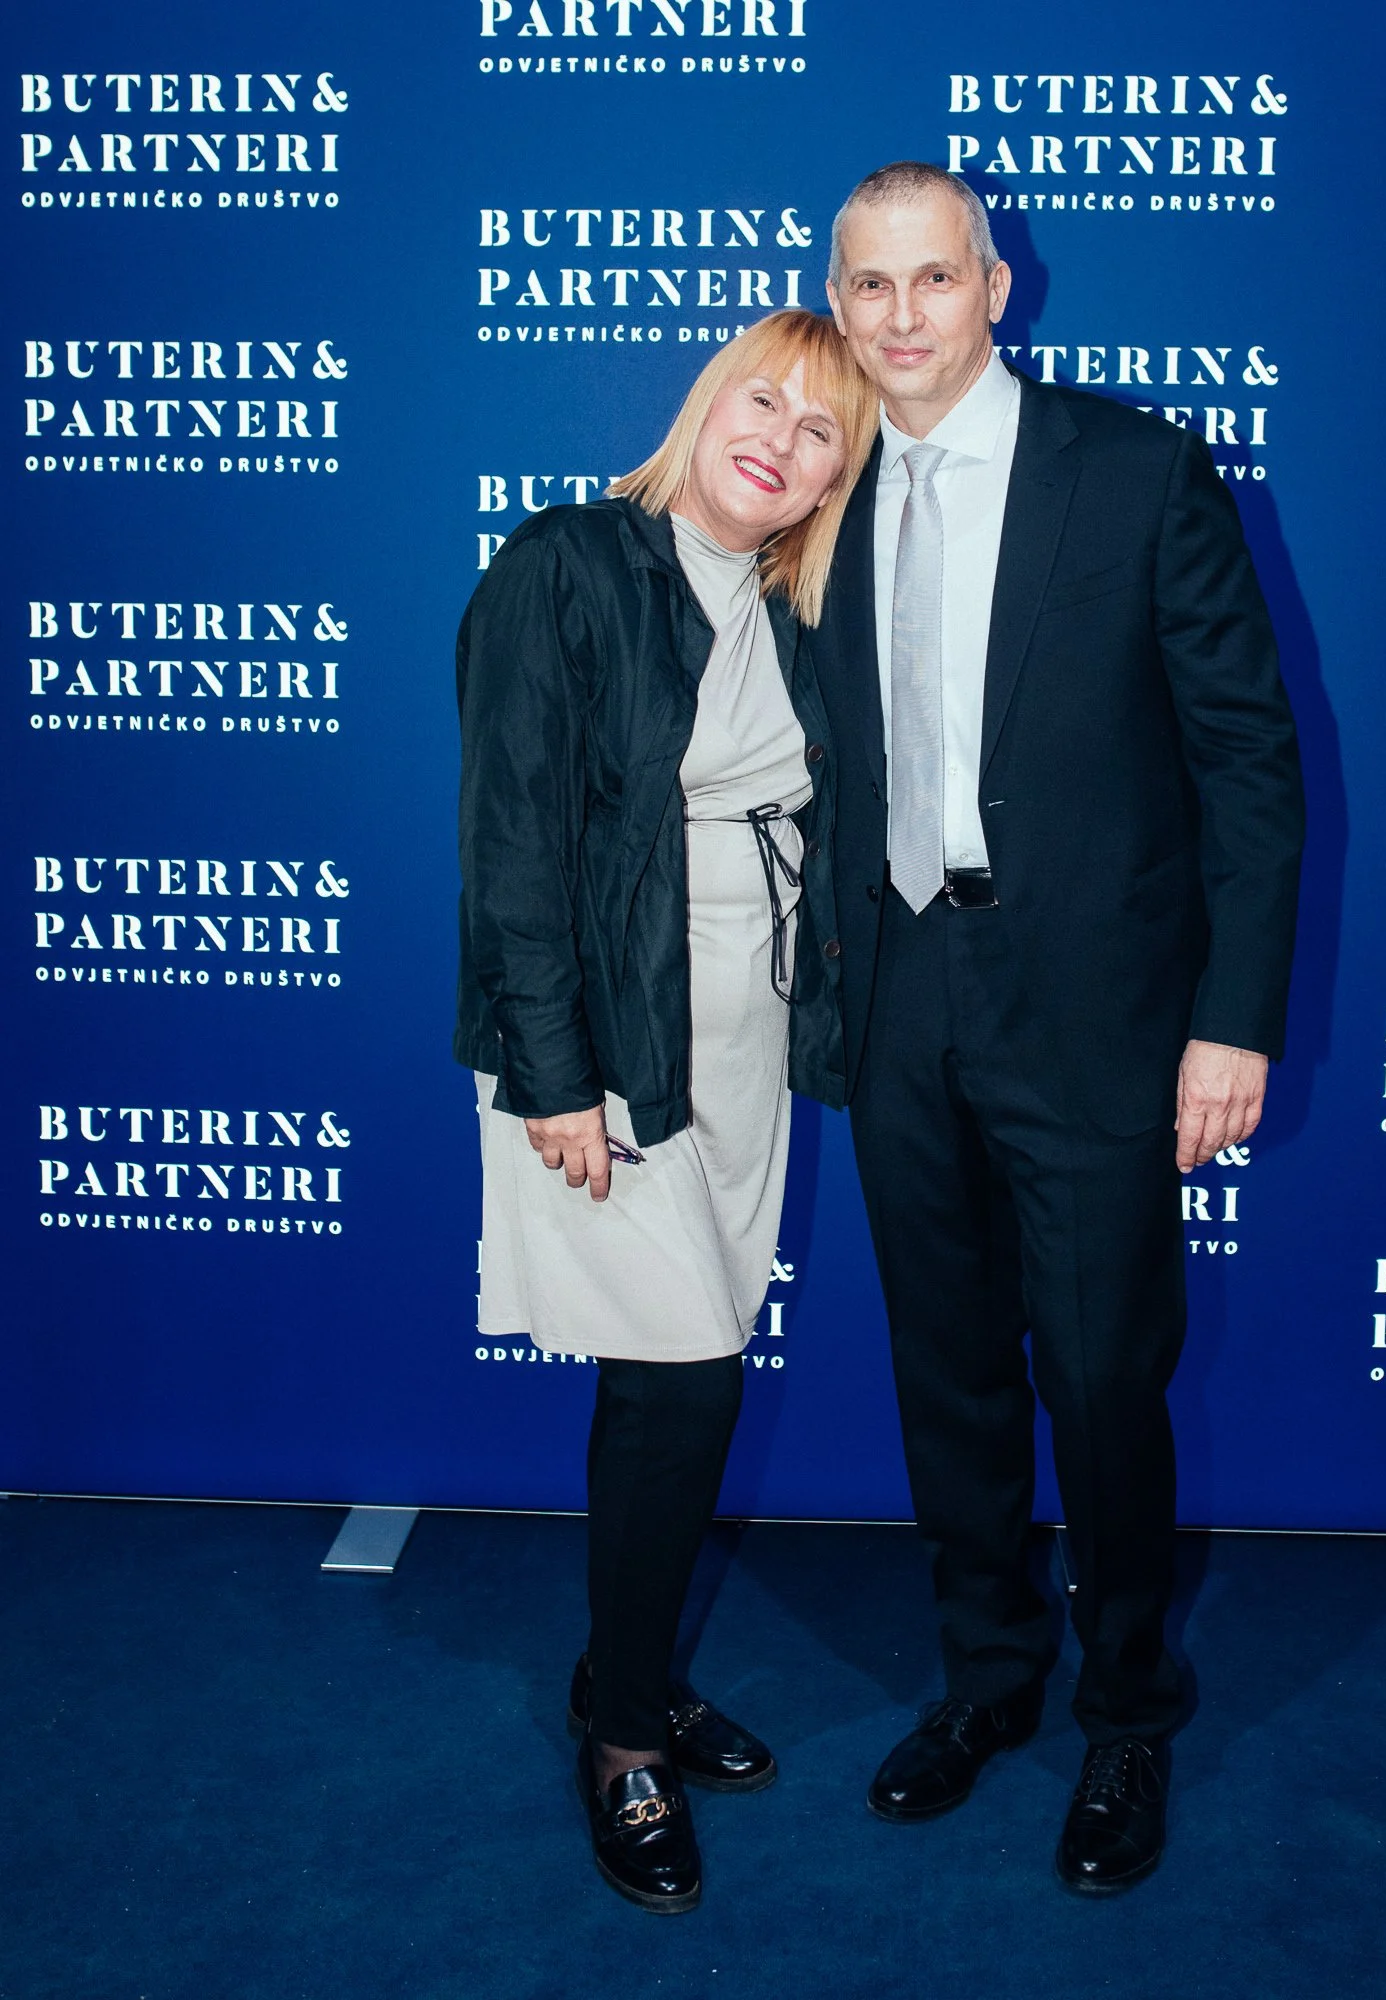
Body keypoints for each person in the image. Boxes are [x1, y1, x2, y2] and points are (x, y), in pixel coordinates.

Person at [813, 163, 1305, 1894]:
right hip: (900, 999)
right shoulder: (829, 482)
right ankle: (987, 1682)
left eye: (931, 280)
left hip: (1098, 1014)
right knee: (946, 1375)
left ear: (997, 285)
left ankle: (1126, 1714)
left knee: (1100, 1381)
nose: (898, 320)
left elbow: (1251, 761)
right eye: (865, 287)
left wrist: (1230, 1023)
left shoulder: (1142, 468)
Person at [455, 310, 876, 1914]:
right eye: (762, 399)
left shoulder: (790, 609)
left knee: (668, 1390)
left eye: (822, 431)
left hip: (746, 1047)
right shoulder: (566, 563)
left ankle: (622, 1673)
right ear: (708, 400)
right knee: (686, 1387)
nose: (779, 436)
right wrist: (551, 1076)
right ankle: (624, 1739)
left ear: (833, 480)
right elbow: (510, 840)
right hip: (610, 1044)